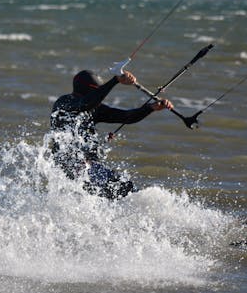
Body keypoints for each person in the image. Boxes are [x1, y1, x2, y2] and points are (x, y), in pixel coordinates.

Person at [50, 69, 173, 199]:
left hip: (90, 167)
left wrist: (150, 108)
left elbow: (126, 117)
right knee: (122, 192)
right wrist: (115, 81)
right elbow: (85, 103)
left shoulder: (94, 109)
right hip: (70, 165)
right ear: (92, 90)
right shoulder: (64, 103)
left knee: (128, 191)